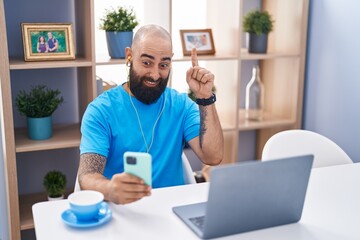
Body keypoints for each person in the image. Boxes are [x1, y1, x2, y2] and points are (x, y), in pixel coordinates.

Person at [78, 24, 224, 204]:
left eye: (163, 65)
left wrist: (205, 97)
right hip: (122, 211)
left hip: (171, 211)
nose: (155, 75)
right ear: (129, 56)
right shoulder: (101, 111)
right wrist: (110, 189)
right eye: (147, 62)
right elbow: (87, 175)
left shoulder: (181, 105)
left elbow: (213, 157)